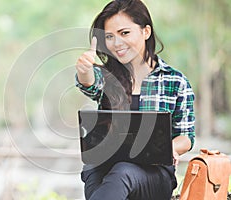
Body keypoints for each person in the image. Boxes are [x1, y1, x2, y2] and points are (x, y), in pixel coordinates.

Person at [75, 0, 195, 199]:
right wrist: (85, 71)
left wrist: (171, 148)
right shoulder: (107, 78)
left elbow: (186, 136)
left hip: (154, 174)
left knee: (123, 172)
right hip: (105, 167)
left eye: (124, 33)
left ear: (145, 32)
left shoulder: (175, 81)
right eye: (110, 37)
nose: (117, 43)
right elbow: (88, 84)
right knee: (98, 173)